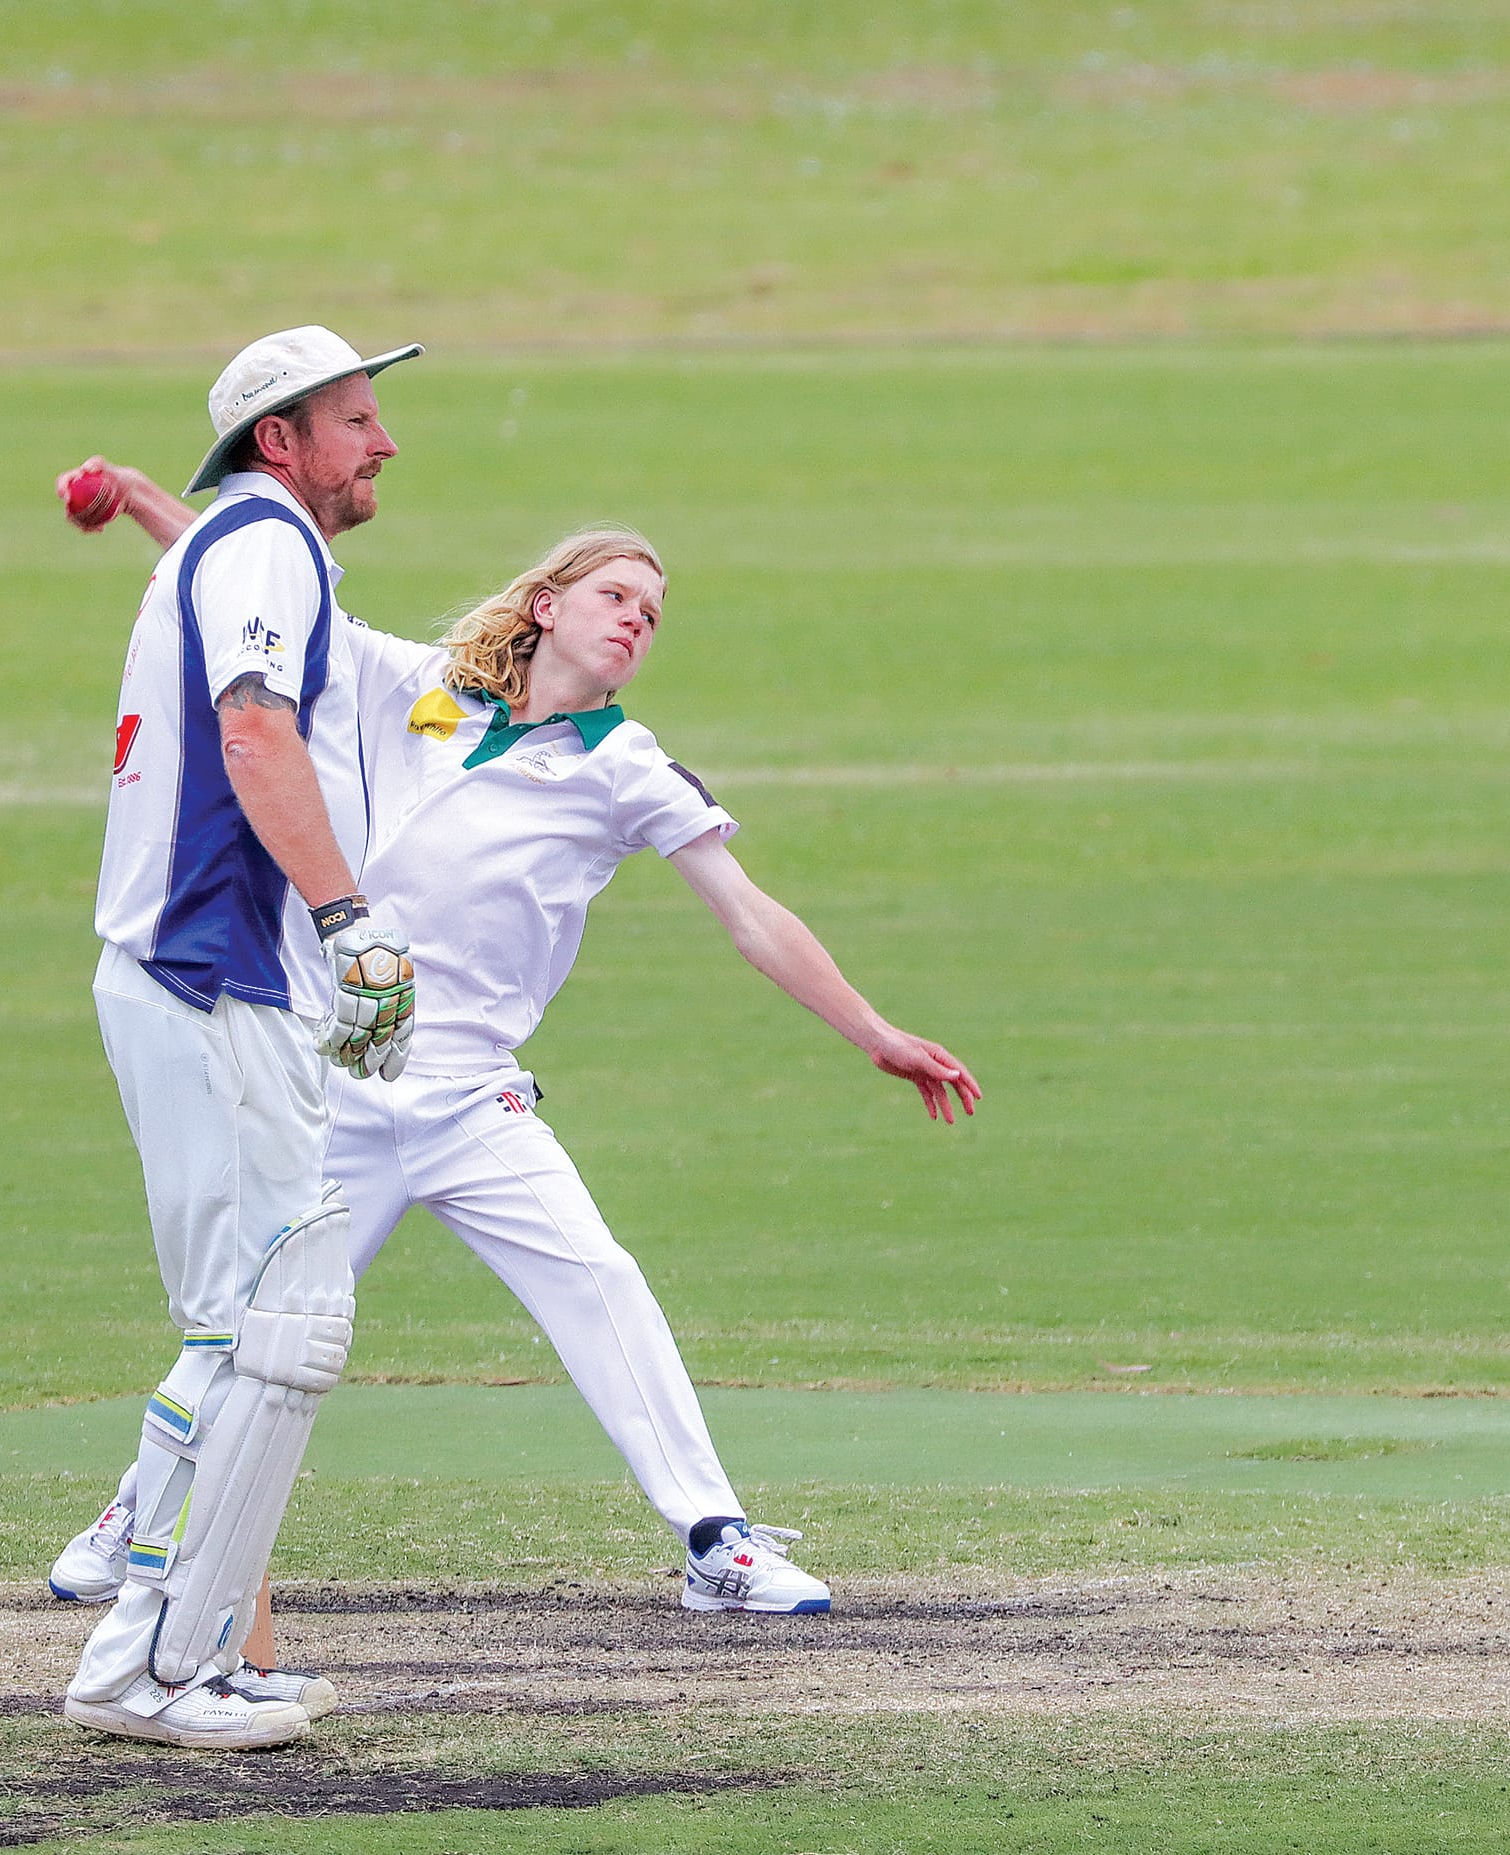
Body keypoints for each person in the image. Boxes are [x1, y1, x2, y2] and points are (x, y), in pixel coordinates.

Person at [53, 469, 982, 1644]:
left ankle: (714, 1538)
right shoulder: (421, 690)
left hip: (469, 1096)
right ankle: (128, 1518)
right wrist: (140, 498)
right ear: (545, 604)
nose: (636, 617)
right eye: (614, 593)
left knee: (598, 1282)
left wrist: (876, 1033)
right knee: (250, 1319)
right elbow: (258, 593)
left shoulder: (623, 762)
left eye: (651, 611)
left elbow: (748, 914)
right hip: (338, 1075)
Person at [62, 326, 424, 1754]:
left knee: (257, 1322)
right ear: (284, 441)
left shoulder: (241, 541)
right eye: (356, 419)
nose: (384, 441)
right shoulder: (265, 543)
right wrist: (351, 923)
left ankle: (162, 1645)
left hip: (210, 981)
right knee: (276, 1321)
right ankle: (149, 1662)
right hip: (209, 974)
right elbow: (254, 735)